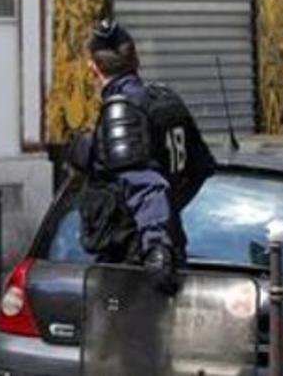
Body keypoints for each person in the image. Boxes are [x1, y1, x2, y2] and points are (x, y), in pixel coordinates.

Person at [66, 19, 216, 295]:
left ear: (93, 69)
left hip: (132, 264)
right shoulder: (164, 100)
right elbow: (201, 167)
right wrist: (170, 212)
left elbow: (146, 185)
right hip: (164, 252)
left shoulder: (121, 111)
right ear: (137, 61)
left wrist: (156, 248)